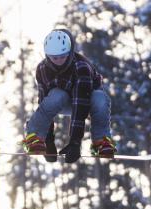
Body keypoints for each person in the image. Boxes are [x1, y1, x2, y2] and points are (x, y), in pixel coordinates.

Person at [22, 28, 116, 163]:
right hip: (61, 101)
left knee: (100, 98)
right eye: (55, 58)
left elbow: (81, 105)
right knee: (57, 94)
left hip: (87, 101)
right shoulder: (42, 69)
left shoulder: (81, 66)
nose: (59, 60)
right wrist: (49, 141)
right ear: (47, 55)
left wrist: (75, 143)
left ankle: (101, 142)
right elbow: (44, 103)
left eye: (63, 56)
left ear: (70, 52)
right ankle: (35, 137)